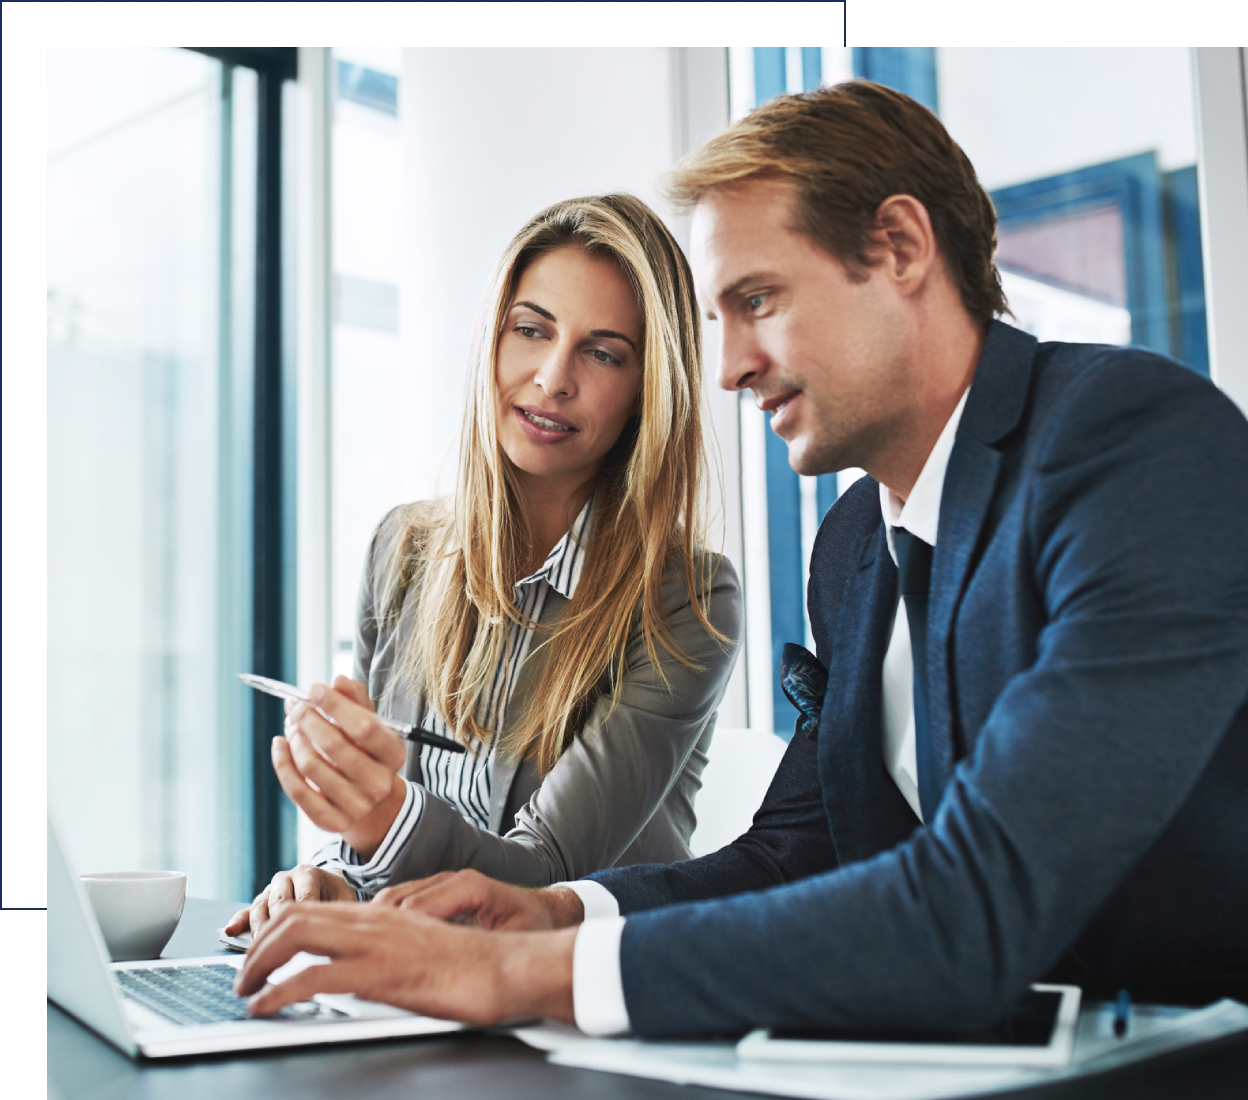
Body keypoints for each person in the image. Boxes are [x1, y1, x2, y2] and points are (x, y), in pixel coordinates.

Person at [234, 81, 1248, 1034]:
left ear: (899, 246)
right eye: (718, 320)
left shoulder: (1134, 446)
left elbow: (978, 900)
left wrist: (525, 975)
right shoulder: (854, 546)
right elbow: (791, 852)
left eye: (757, 300)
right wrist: (551, 915)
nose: (725, 369)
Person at [227, 194, 743, 941]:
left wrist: (380, 818)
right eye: (531, 330)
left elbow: (541, 882)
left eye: (602, 353)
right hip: (417, 979)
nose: (552, 378)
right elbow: (385, 840)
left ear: (645, 391)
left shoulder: (689, 598)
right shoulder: (400, 551)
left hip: (568, 999)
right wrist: (335, 876)